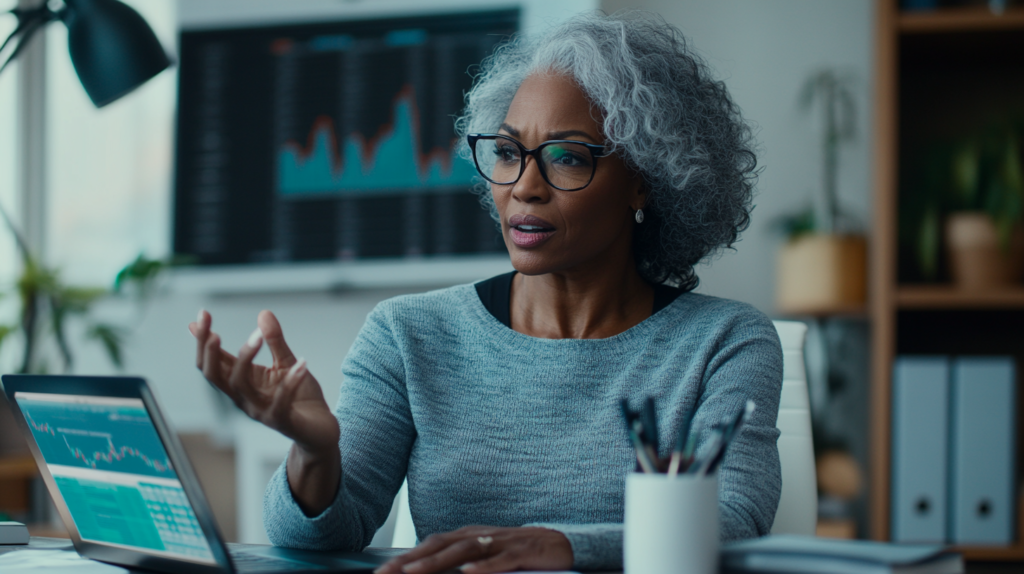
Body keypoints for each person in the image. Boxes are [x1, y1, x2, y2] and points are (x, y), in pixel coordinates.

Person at [188, 10, 782, 573]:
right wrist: (315, 453)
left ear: (646, 181)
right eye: (506, 152)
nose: (524, 187)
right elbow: (316, 540)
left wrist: (556, 546)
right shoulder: (407, 333)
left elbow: (737, 521)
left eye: (567, 158)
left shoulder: (724, 342)